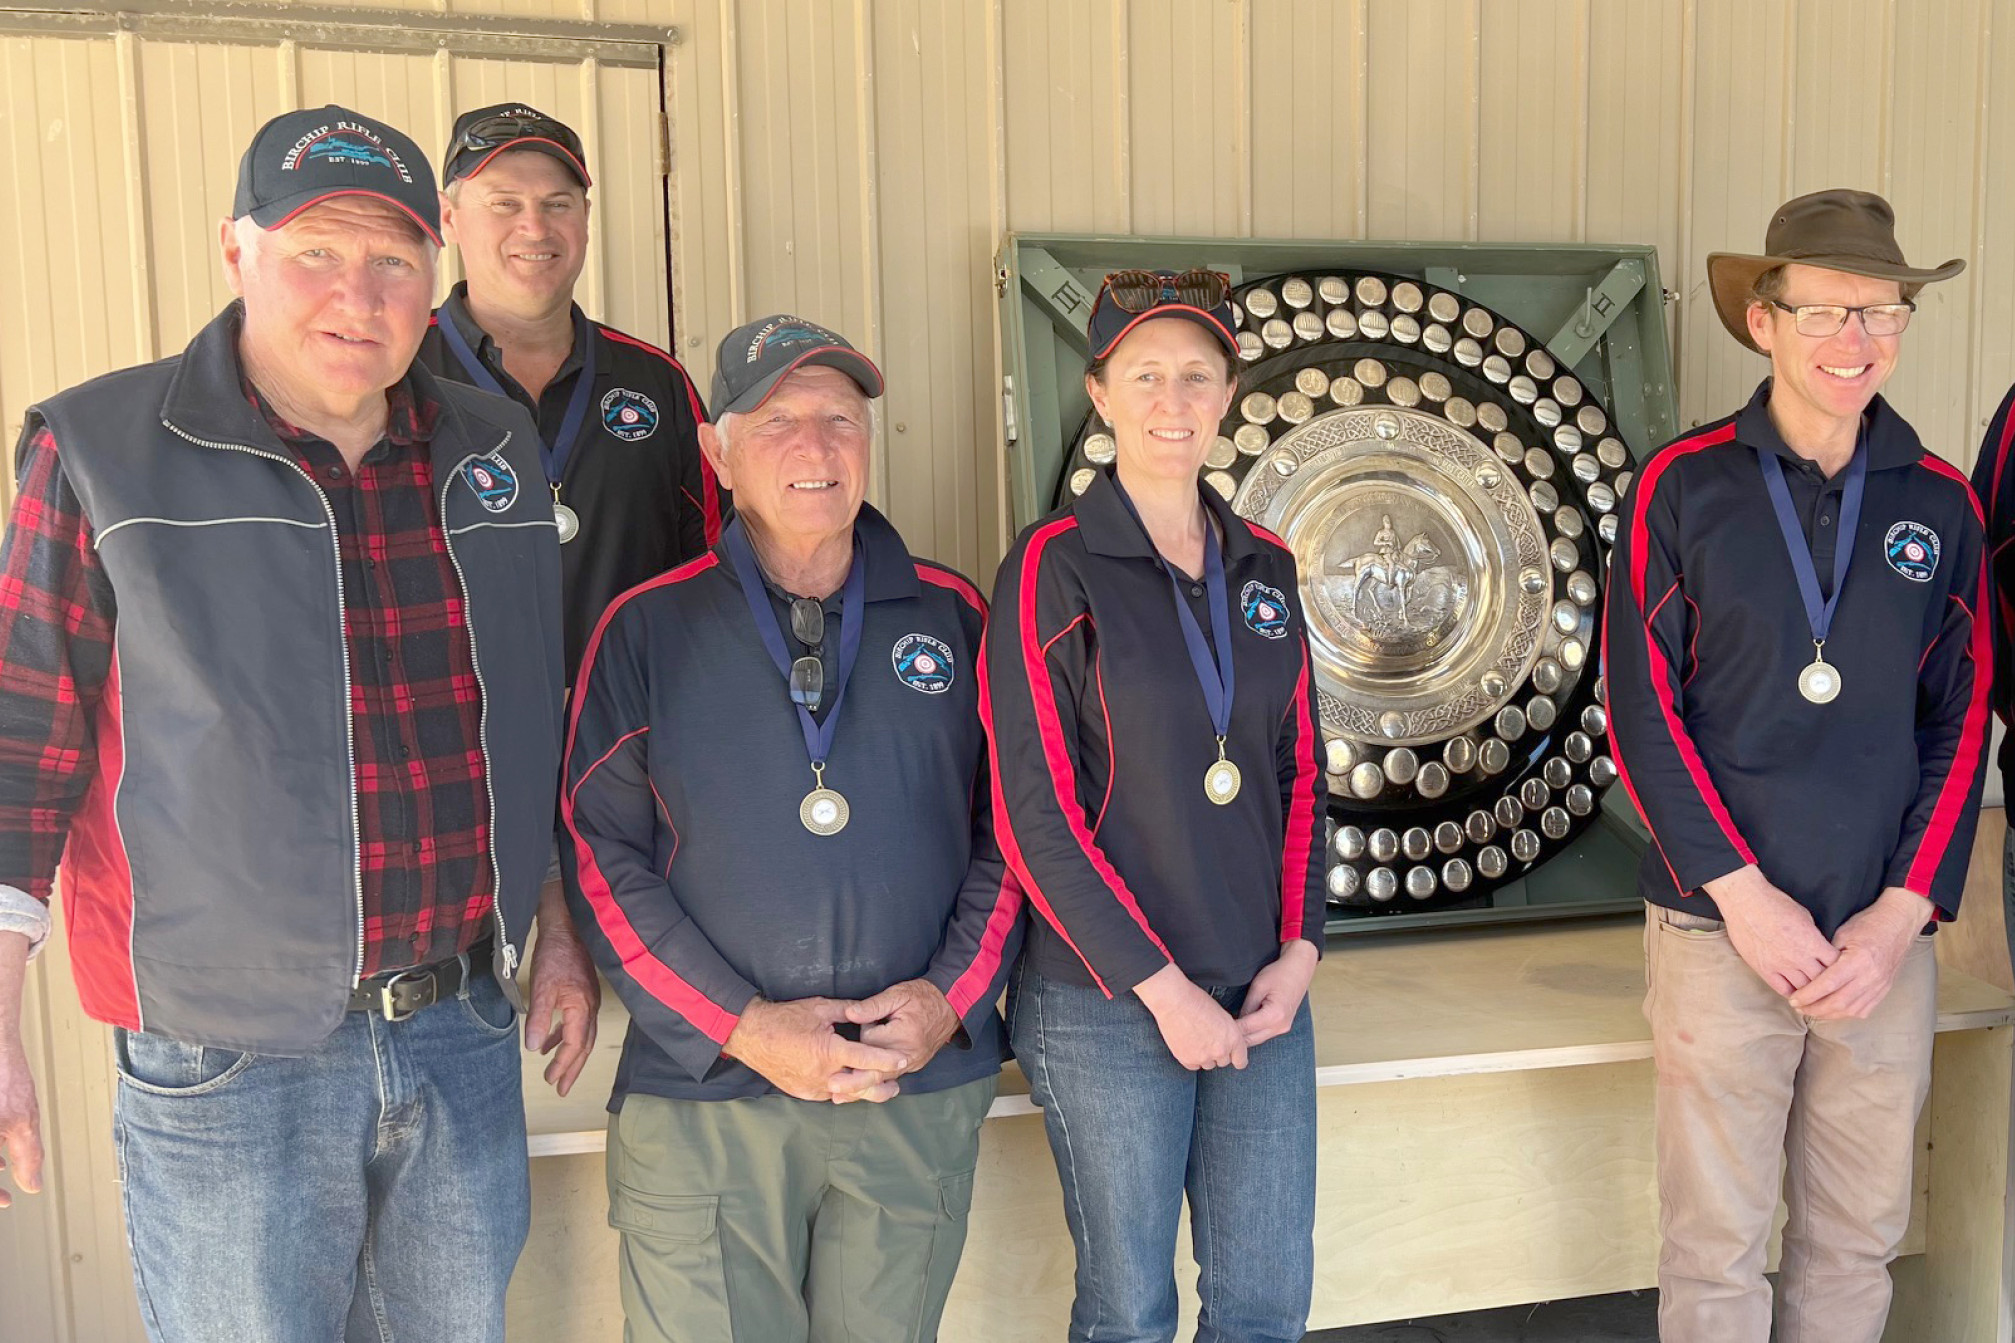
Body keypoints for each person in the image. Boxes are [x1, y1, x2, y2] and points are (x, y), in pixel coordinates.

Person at [0, 105, 571, 1340]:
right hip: (225, 1057)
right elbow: (19, 745)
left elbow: (530, 714)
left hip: (460, 1024)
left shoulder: (492, 448)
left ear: (435, 280)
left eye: (393, 257)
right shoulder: (101, 451)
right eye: (316, 248)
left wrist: (556, 928)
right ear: (236, 251)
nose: (356, 292)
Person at [562, 314, 1021, 1343]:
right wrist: (741, 1023)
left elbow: (1017, 834)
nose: (814, 447)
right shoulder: (646, 627)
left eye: (839, 419)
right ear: (718, 454)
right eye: (776, 421)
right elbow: (598, 854)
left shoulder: (952, 617)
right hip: (707, 1095)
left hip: (909, 1083)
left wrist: (949, 1000)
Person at [1605, 188, 1988, 1343]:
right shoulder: (1682, 487)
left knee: (1853, 1243)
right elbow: (1639, 713)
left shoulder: (1941, 503)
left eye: (1878, 310)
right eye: (1823, 311)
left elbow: (1959, 723)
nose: (1853, 340)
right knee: (1714, 1251)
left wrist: (1896, 917)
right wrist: (1742, 897)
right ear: (1762, 320)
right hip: (1721, 933)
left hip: (1880, 945)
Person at [982, 268, 1328, 1343]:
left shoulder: (1264, 566)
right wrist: (1162, 988)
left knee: (1264, 1303)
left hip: (1263, 991)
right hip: (1107, 1003)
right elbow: (1031, 815)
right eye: (1144, 375)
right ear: (1099, 392)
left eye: (1194, 375)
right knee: (1129, 1309)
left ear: (1227, 393)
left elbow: (1302, 773)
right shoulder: (1052, 568)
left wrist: (1300, 951)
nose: (1170, 400)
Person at [420, 101, 725, 680]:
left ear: (585, 216)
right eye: (504, 204)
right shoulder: (396, 376)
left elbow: (716, 568)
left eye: (556, 204)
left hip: (624, 741)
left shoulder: (656, 382)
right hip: (456, 741)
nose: (534, 228)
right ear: (449, 218)